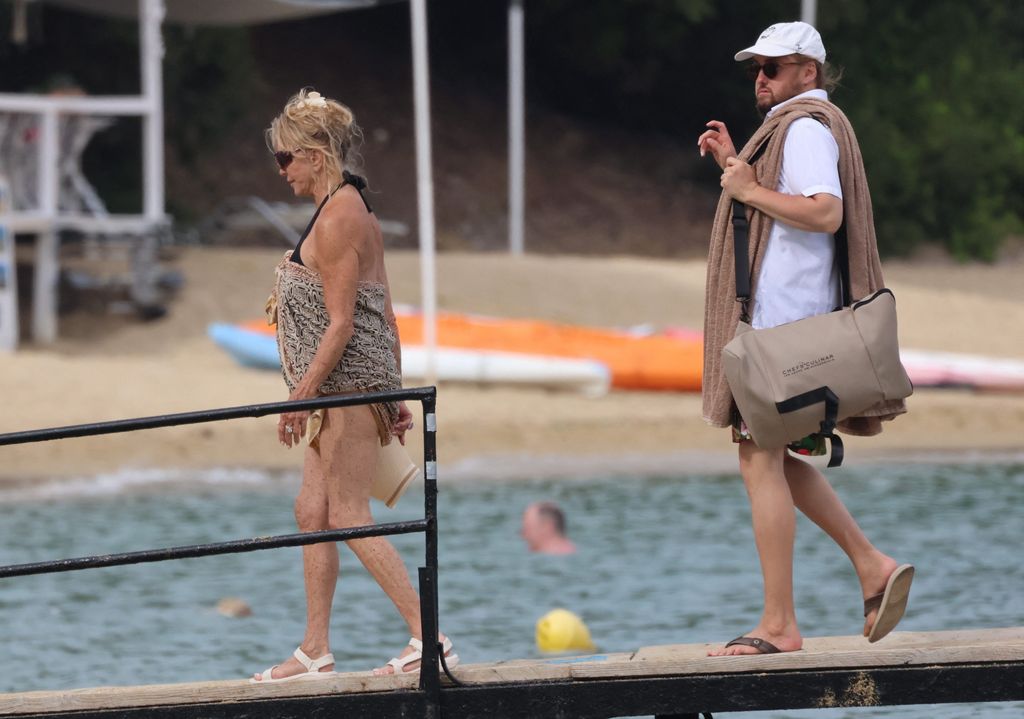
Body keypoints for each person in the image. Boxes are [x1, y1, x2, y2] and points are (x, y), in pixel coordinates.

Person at [696, 23, 913, 656]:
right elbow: (775, 206)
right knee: (773, 458)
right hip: (789, 324)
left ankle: (780, 624)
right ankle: (871, 565)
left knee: (758, 458)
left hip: (784, 327)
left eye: (774, 66)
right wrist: (739, 167)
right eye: (755, 68)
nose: (761, 77)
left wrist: (747, 186)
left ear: (808, 72)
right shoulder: (793, 129)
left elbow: (824, 211)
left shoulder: (808, 128)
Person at [252, 88, 457, 683]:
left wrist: (301, 398)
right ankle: (315, 647)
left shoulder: (342, 215)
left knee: (345, 510)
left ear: (316, 155)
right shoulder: (346, 207)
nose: (281, 170)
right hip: (347, 385)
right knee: (311, 508)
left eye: (286, 158)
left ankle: (429, 637)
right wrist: (392, 390)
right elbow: (386, 309)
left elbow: (345, 322)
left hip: (341, 385)